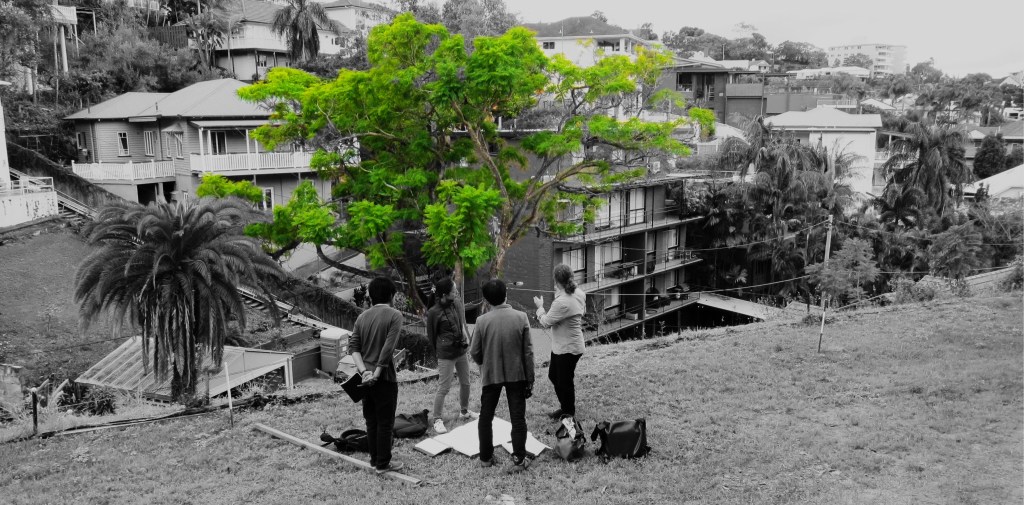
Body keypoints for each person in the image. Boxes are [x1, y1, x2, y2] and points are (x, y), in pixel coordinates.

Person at [471, 279, 535, 473]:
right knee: (517, 417)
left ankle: (485, 458)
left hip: (491, 374)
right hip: (517, 374)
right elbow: (528, 352)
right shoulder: (521, 317)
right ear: (506, 294)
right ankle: (519, 458)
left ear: (487, 300)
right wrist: (530, 378)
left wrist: (486, 361)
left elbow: (474, 351)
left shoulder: (482, 321)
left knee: (486, 416)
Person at [349, 276, 405, 474]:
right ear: (390, 295)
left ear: (372, 296)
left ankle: (374, 460)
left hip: (364, 380)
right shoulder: (394, 315)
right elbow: (388, 349)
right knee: (385, 422)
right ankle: (383, 463)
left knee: (371, 421)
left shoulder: (362, 317)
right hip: (384, 379)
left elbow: (353, 348)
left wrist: (364, 371)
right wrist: (377, 373)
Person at [533, 264, 586, 421]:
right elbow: (581, 311)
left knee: (564, 381)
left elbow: (546, 322)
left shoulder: (562, 301)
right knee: (554, 376)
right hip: (566, 345)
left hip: (568, 348)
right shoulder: (579, 293)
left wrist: (540, 308)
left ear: (555, 280)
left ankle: (568, 412)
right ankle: (565, 408)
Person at [426, 278, 477, 434]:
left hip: (460, 350)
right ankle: (437, 419)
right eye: (454, 291)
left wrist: (465, 339)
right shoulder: (433, 312)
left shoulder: (456, 303)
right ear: (443, 295)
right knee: (444, 387)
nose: (456, 293)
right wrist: (440, 353)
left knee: (466, 382)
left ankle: (464, 411)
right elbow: (431, 336)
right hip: (446, 354)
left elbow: (461, 322)